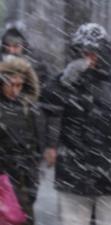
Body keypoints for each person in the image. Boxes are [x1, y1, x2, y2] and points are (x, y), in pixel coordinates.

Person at [42, 23, 111, 225]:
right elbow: (46, 103)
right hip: (74, 172)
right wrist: (64, 80)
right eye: (82, 52)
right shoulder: (69, 79)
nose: (87, 58)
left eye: (93, 52)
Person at [0, 57, 46, 225]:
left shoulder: (29, 108)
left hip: (24, 177)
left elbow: (37, 142)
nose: (15, 90)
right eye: (11, 84)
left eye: (19, 85)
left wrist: (32, 172)